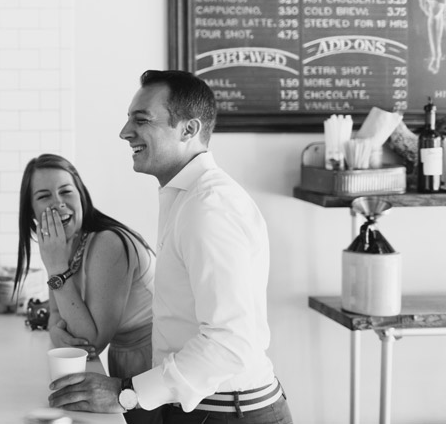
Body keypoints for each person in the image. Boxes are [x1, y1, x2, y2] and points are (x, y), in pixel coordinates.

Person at [47, 71, 293, 423]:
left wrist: (125, 393)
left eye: (141, 119)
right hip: (209, 408)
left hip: (230, 413)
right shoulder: (186, 197)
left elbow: (230, 342)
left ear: (189, 130)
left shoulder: (208, 207)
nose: (124, 132)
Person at [15, 154, 159, 424]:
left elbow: (90, 343)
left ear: (81, 195)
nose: (58, 203)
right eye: (44, 196)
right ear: (32, 213)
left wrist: (56, 266)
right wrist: (59, 330)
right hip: (123, 362)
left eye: (66, 191)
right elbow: (57, 320)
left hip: (152, 367)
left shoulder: (108, 243)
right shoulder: (62, 246)